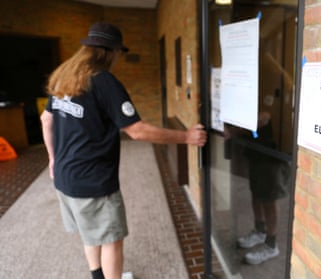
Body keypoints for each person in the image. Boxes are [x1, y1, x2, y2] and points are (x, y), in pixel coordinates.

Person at [40, 22, 206, 279]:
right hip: (93, 181)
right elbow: (137, 130)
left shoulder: (65, 76)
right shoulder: (103, 81)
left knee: (90, 232)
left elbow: (46, 119)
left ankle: (98, 276)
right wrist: (186, 136)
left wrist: (52, 159)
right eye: (119, 52)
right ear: (110, 52)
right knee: (111, 240)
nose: (119, 57)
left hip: (64, 176)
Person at [234, 112, 290, 265]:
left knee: (269, 198)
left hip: (272, 151)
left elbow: (264, 118)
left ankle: (271, 245)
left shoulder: (271, 92)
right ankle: (260, 232)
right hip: (256, 148)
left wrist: (234, 129)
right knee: (256, 193)